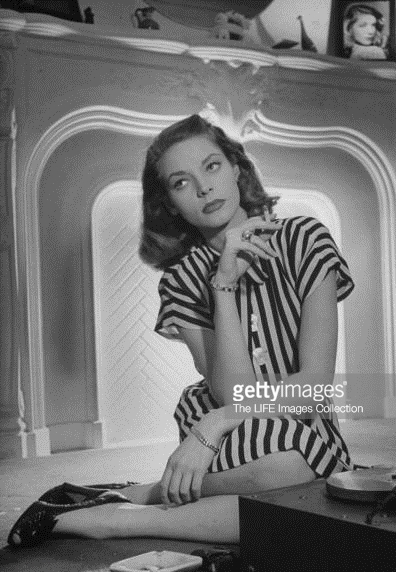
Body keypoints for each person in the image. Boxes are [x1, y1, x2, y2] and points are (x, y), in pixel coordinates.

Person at [8, 115, 354, 547]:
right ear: (170, 203)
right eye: (181, 182)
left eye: (212, 166)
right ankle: (125, 507)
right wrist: (223, 285)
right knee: (296, 481)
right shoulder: (181, 280)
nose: (204, 188)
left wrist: (212, 426)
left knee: (296, 474)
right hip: (234, 432)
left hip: (279, 423)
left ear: (236, 168)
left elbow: (315, 385)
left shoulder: (305, 239)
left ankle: (124, 509)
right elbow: (233, 393)